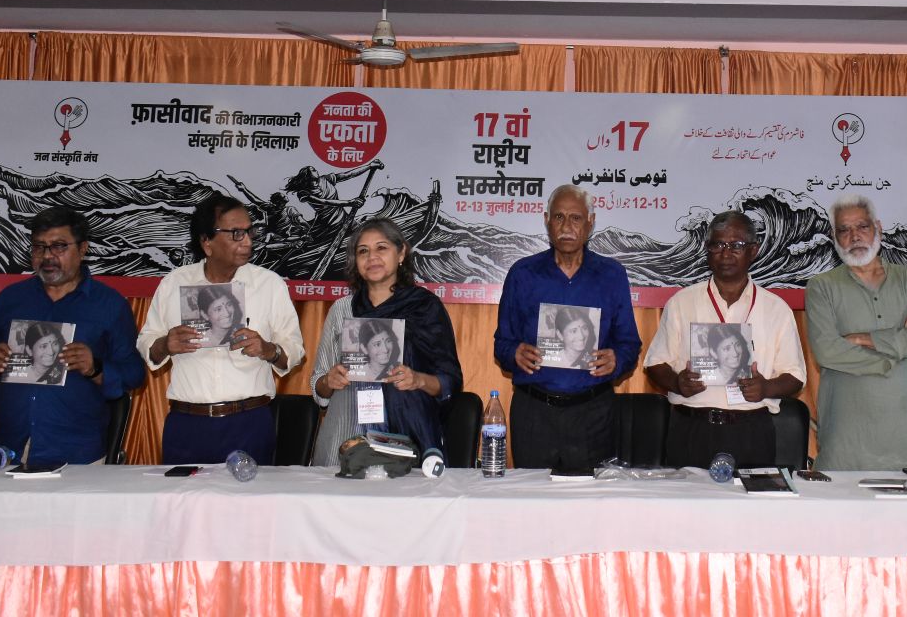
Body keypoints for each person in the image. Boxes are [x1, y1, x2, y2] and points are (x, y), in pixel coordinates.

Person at [0, 206, 146, 465]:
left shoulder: (110, 305)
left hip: (76, 452)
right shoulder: (10, 300)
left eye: (59, 246)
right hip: (9, 446)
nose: (47, 256)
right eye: (39, 247)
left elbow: (134, 374)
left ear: (83, 249)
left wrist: (95, 368)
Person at [138, 194, 305, 465]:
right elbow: (147, 343)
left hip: (248, 422)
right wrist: (164, 344)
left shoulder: (269, 284)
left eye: (249, 232)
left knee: (250, 494)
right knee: (182, 494)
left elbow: (294, 351)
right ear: (207, 242)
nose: (247, 241)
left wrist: (268, 350)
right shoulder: (173, 283)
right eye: (236, 233)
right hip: (187, 424)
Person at [494, 184, 642, 471]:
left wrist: (617, 359)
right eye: (559, 217)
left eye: (575, 218)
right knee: (531, 494)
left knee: (591, 497)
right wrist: (514, 353)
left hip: (593, 414)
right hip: (534, 413)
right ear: (547, 220)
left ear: (590, 222)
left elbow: (629, 343)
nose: (566, 227)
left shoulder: (612, 275)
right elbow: (502, 342)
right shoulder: (523, 273)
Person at [645, 211, 805, 468]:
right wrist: (677, 382)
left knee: (750, 497)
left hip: (751, 432)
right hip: (691, 429)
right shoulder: (681, 302)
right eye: (717, 244)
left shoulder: (777, 309)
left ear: (753, 250)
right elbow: (655, 363)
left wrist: (766, 388)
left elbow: (795, 377)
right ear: (707, 250)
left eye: (736, 245)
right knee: (685, 497)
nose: (725, 253)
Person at [806, 194, 907, 471]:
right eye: (844, 230)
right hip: (849, 433)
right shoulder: (821, 287)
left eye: (862, 226)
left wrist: (865, 339)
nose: (855, 236)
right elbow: (827, 351)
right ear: (834, 238)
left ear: (879, 229)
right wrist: (898, 348)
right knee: (845, 499)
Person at [312, 218, 462, 465]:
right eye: (363, 251)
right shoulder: (342, 309)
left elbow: (450, 382)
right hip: (344, 435)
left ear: (401, 253)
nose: (372, 257)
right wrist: (329, 381)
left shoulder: (425, 308)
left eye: (381, 248)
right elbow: (317, 386)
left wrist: (418, 379)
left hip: (405, 438)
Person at [552, 306, 596, 371]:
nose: (581, 336)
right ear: (560, 335)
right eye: (574, 331)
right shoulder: (550, 361)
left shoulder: (595, 360)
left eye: (584, 328)